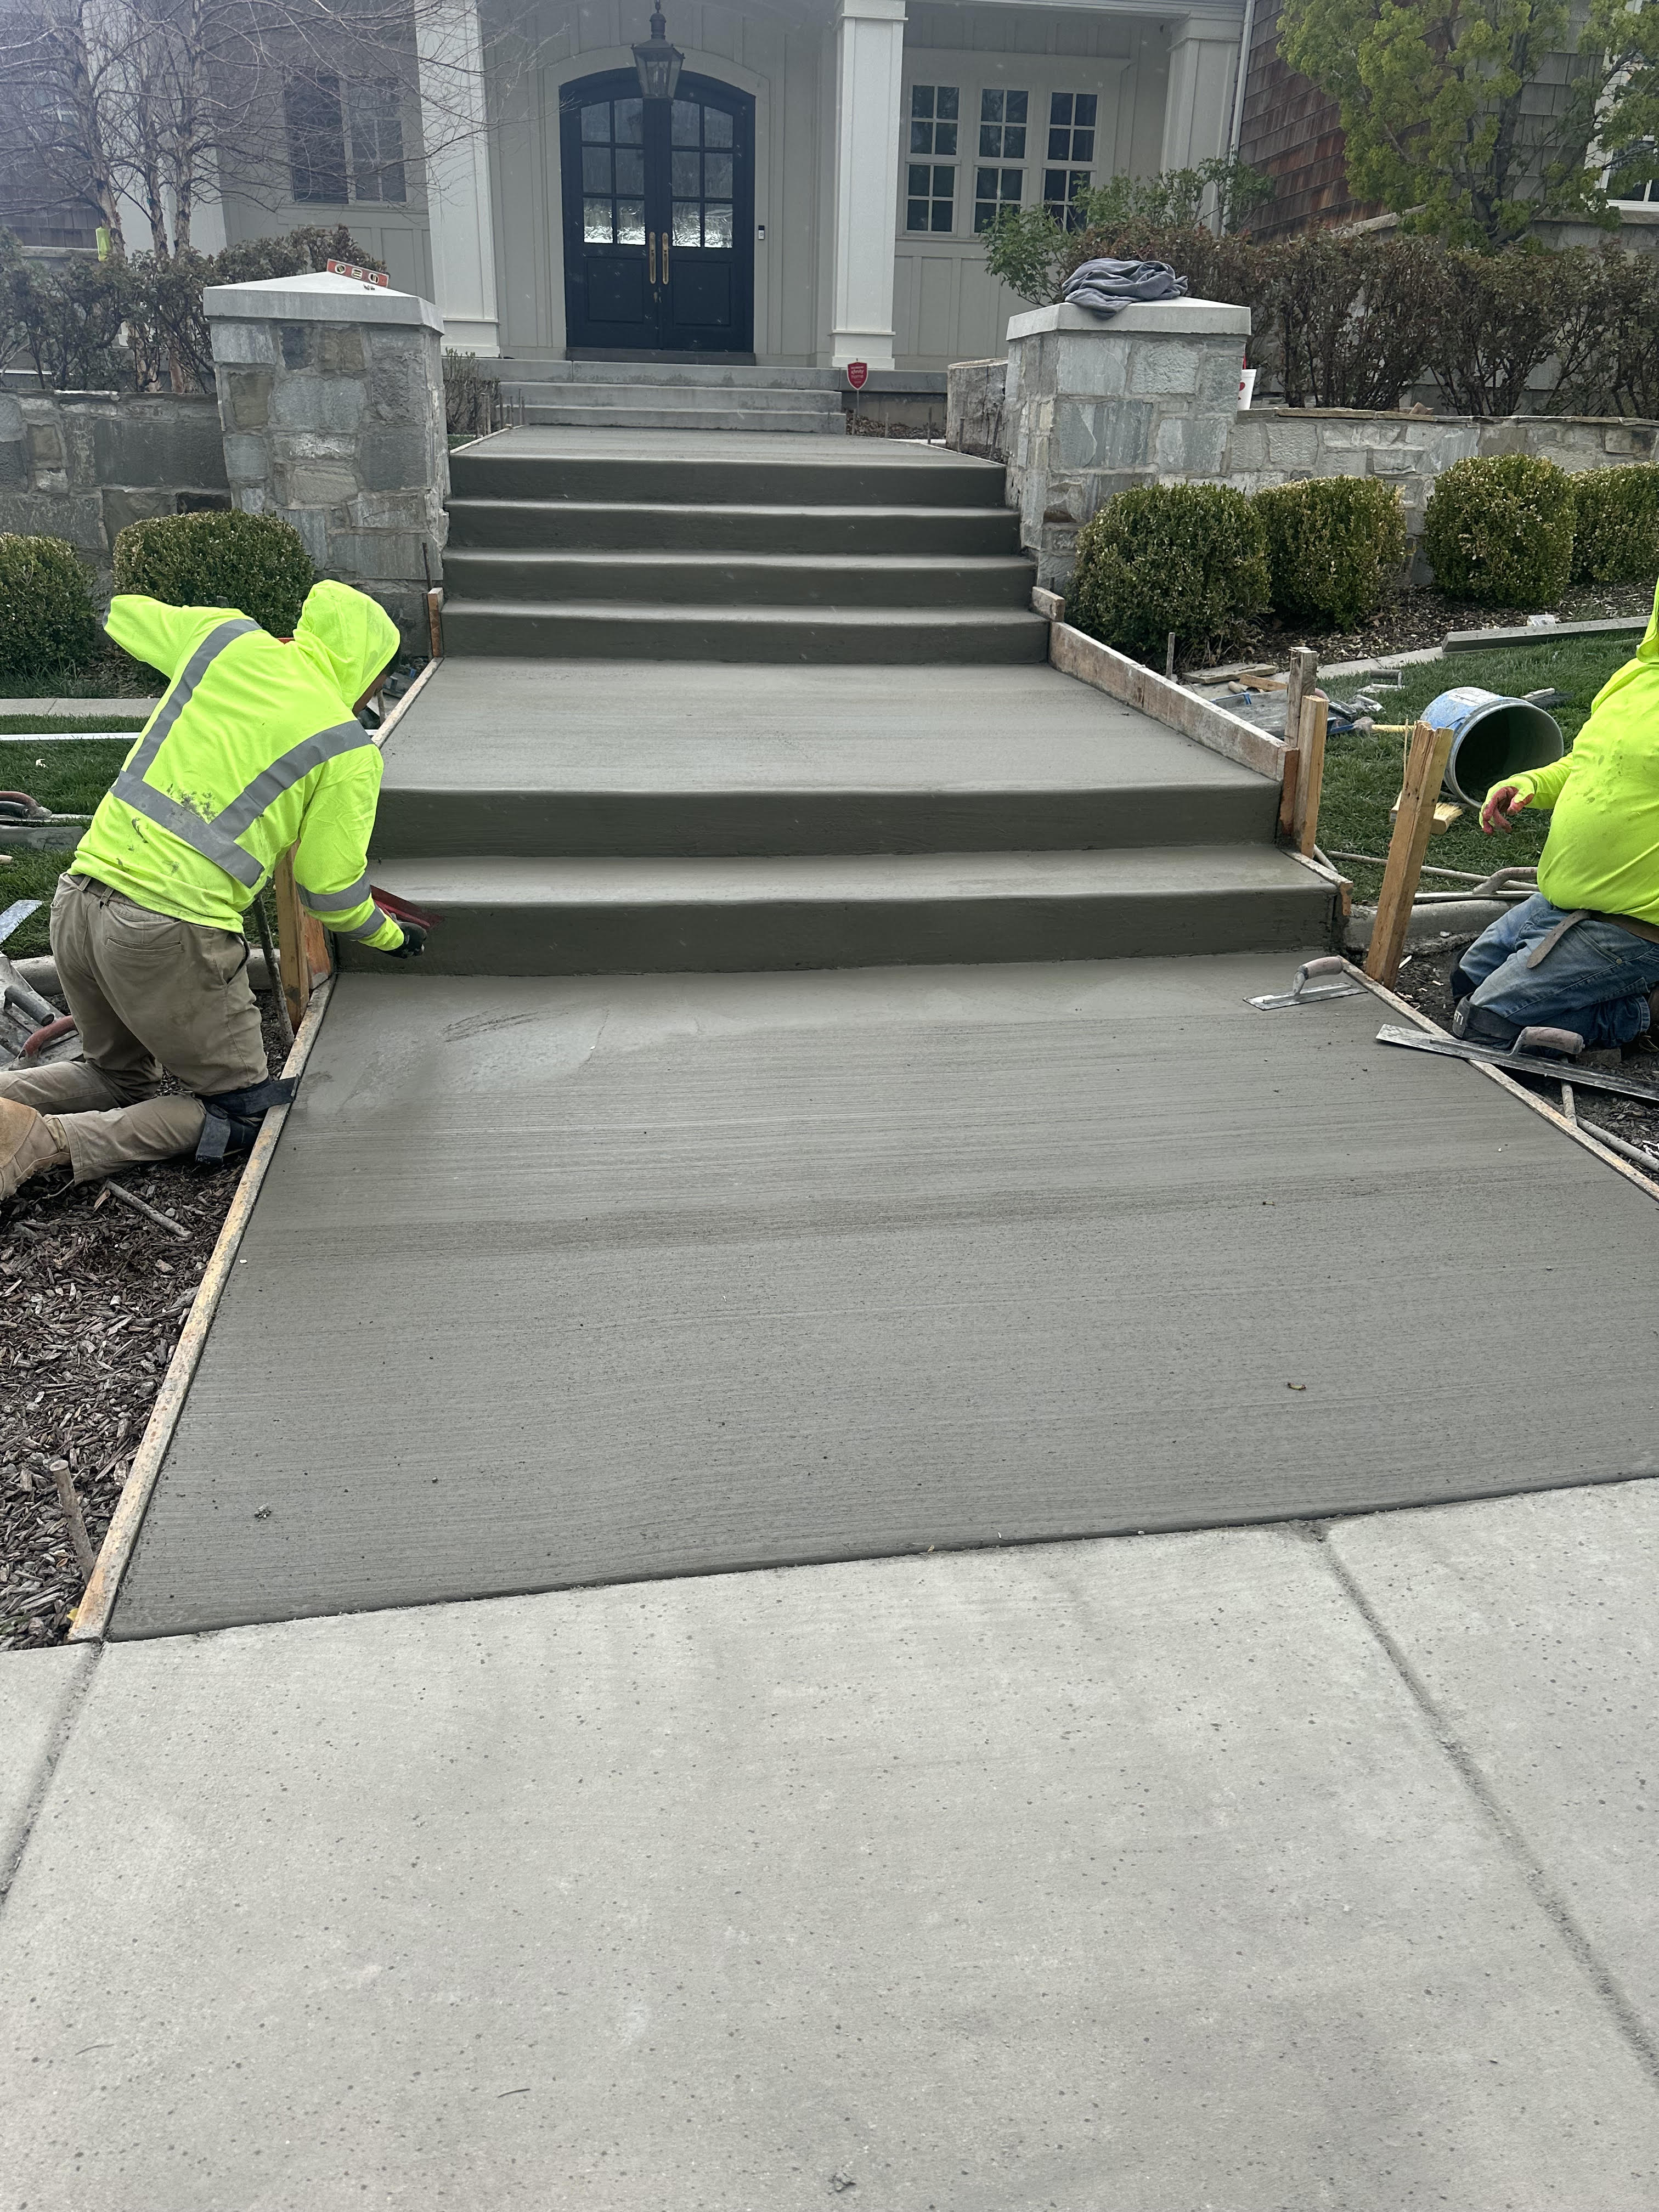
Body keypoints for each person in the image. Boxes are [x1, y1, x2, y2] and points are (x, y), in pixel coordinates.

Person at [0, 579, 425, 1200]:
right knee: (245, 1113)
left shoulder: (225, 640)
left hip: (80, 899)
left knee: (119, 1079)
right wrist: (390, 936)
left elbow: (123, 614)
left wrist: (243, 642)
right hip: (166, 931)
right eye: (379, 681)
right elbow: (328, 892)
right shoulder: (345, 748)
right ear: (366, 670)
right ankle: (38, 1144)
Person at [1452, 585, 1659, 1057]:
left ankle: (1643, 1010)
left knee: (1489, 1025)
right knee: (1464, 983)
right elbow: (1588, 762)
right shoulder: (1637, 676)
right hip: (1565, 897)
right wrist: (1530, 783)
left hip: (1638, 925)